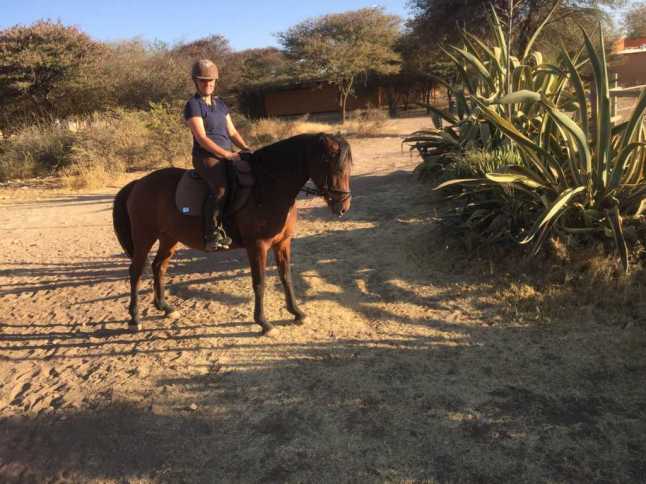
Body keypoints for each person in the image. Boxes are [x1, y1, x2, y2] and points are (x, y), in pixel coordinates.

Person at [184, 59, 251, 251]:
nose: (208, 84)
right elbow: (201, 137)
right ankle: (211, 233)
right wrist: (226, 155)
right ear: (196, 82)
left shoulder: (221, 104)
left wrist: (246, 148)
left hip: (227, 153)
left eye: (211, 80)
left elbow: (232, 132)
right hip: (206, 157)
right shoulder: (193, 105)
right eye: (203, 80)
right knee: (220, 188)